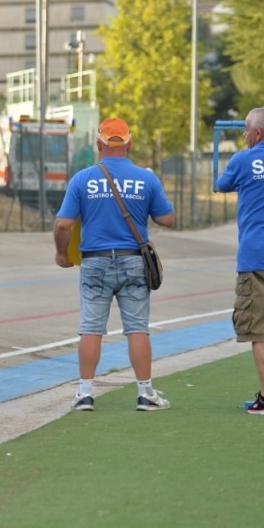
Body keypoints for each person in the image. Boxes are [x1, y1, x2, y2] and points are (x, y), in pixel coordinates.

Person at [53, 117, 175, 412]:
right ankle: (146, 394)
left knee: (91, 329)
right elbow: (167, 220)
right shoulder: (146, 178)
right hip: (133, 261)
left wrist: (61, 254)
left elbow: (62, 224)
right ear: (129, 144)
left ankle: (84, 394)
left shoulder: (82, 179)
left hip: (94, 263)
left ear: (98, 144)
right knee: (137, 329)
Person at [215, 107, 264, 415]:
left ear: (256, 134)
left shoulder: (244, 159)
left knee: (261, 330)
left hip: (260, 258)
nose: (244, 135)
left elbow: (221, 185)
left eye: (245, 130)